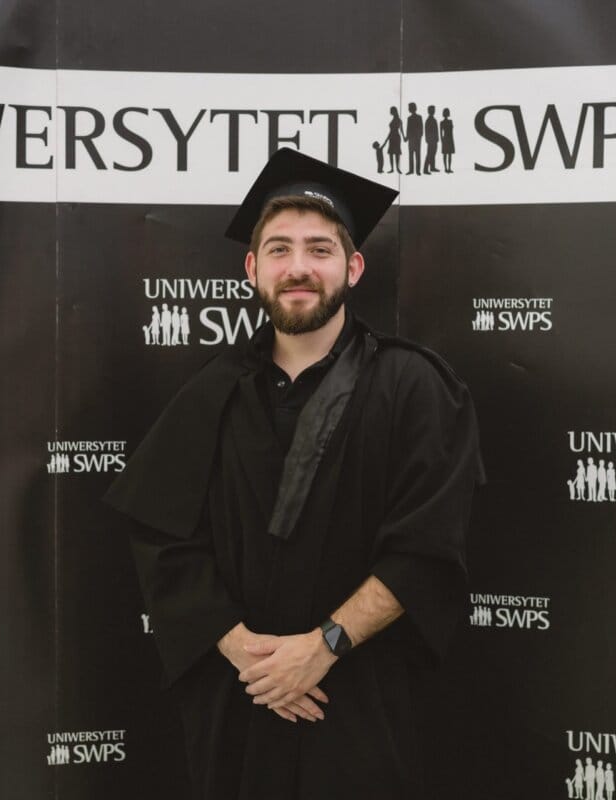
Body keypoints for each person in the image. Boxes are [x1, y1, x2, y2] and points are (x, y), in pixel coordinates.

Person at [105, 148, 483, 799]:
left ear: (353, 266)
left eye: (319, 249)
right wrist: (244, 652)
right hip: (238, 701)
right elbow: (164, 540)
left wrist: (323, 647)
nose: (299, 267)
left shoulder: (415, 387)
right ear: (253, 270)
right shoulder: (211, 394)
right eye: (279, 250)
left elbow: (428, 548)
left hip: (358, 702)